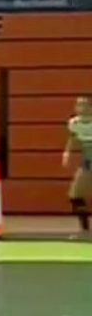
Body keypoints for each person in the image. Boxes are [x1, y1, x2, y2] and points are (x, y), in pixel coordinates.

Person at [66, 96, 92, 238]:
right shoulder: (74, 123)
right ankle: (85, 230)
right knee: (75, 195)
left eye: (84, 105)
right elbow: (72, 137)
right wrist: (67, 153)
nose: (80, 107)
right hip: (87, 162)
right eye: (78, 105)